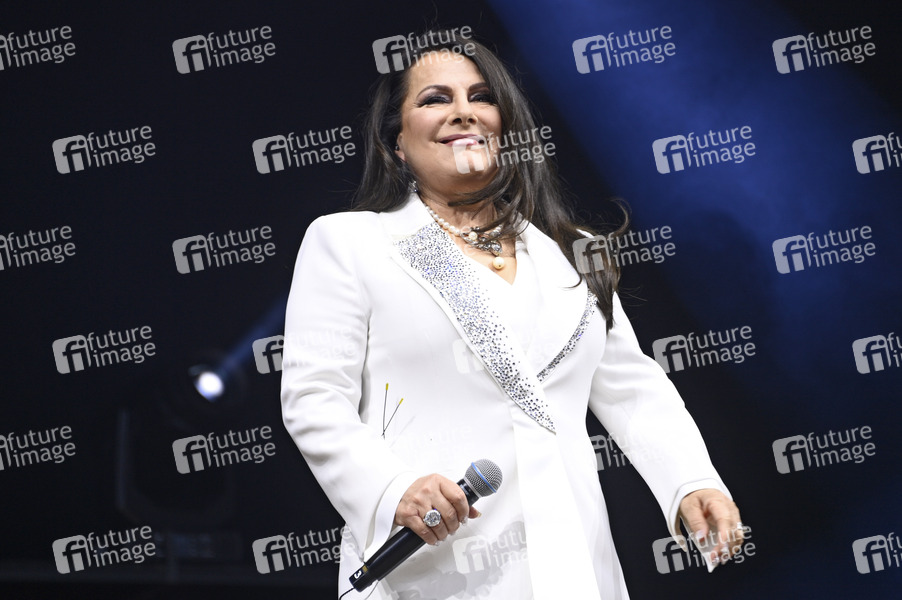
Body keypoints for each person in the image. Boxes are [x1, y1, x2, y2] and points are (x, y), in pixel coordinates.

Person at [281, 30, 743, 600]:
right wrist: (391, 489)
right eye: (435, 99)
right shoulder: (350, 243)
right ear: (396, 141)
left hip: (575, 566)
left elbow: (632, 387)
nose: (463, 112)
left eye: (481, 97)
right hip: (438, 569)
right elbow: (314, 397)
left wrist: (690, 481)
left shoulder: (570, 253)